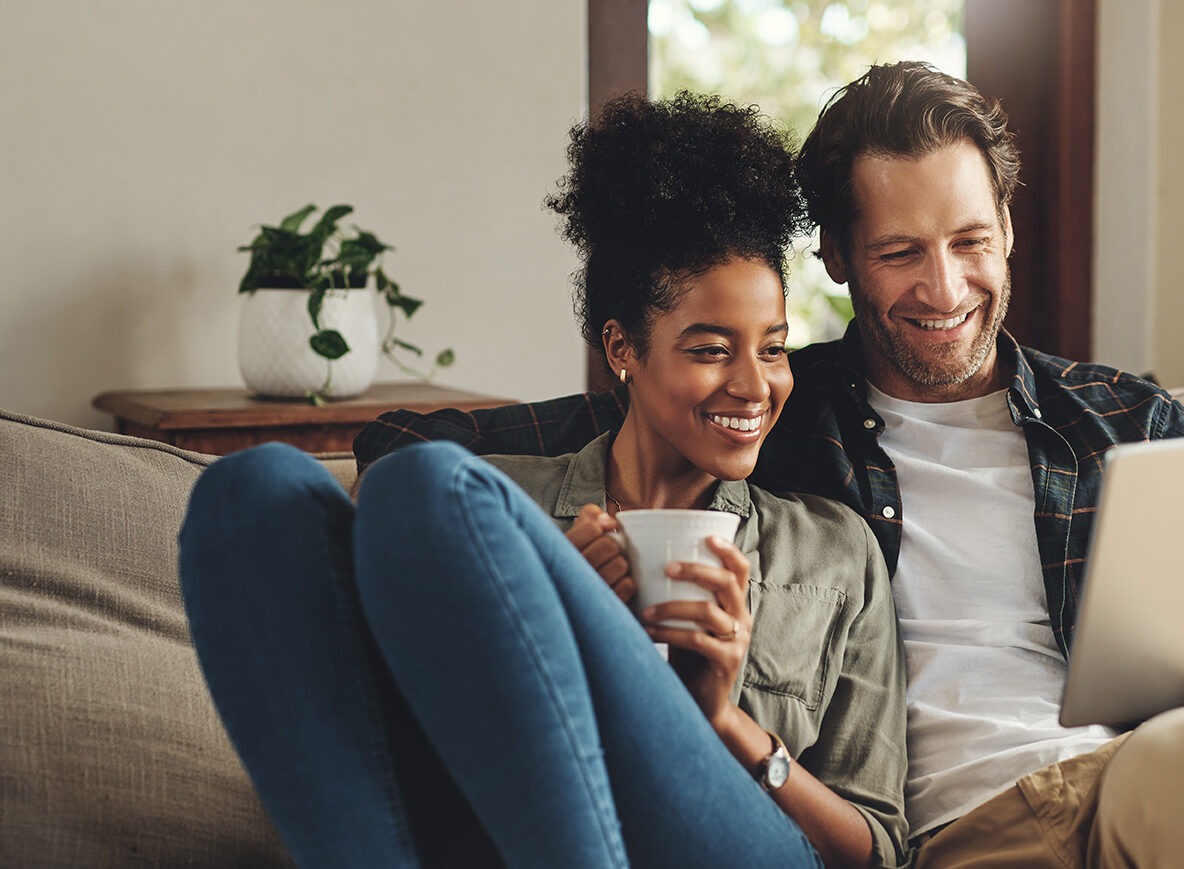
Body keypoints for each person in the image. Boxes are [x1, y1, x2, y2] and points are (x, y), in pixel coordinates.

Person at [356, 64, 1184, 868]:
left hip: (1159, 782)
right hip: (968, 832)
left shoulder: (1127, 421)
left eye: (971, 240)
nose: (944, 286)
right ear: (836, 254)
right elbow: (414, 458)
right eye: (899, 252)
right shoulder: (772, 410)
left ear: (1008, 227)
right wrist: (549, 547)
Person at [180, 92, 908, 869]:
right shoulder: (504, 513)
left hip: (735, 842)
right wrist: (559, 607)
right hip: (508, 829)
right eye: (709, 350)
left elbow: (878, 848)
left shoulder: (832, 550)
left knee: (426, 483)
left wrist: (726, 722)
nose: (755, 386)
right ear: (622, 348)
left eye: (773, 348)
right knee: (249, 494)